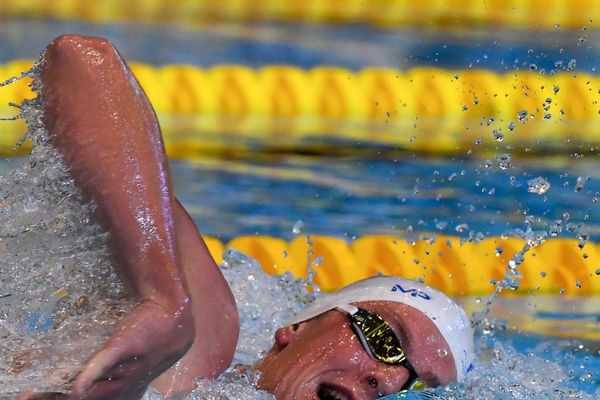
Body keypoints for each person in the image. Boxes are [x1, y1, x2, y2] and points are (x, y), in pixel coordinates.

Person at [18, 35, 474, 400]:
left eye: (416, 387)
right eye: (386, 341)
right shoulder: (194, 363)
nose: (389, 381)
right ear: (294, 330)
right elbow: (79, 63)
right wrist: (162, 300)